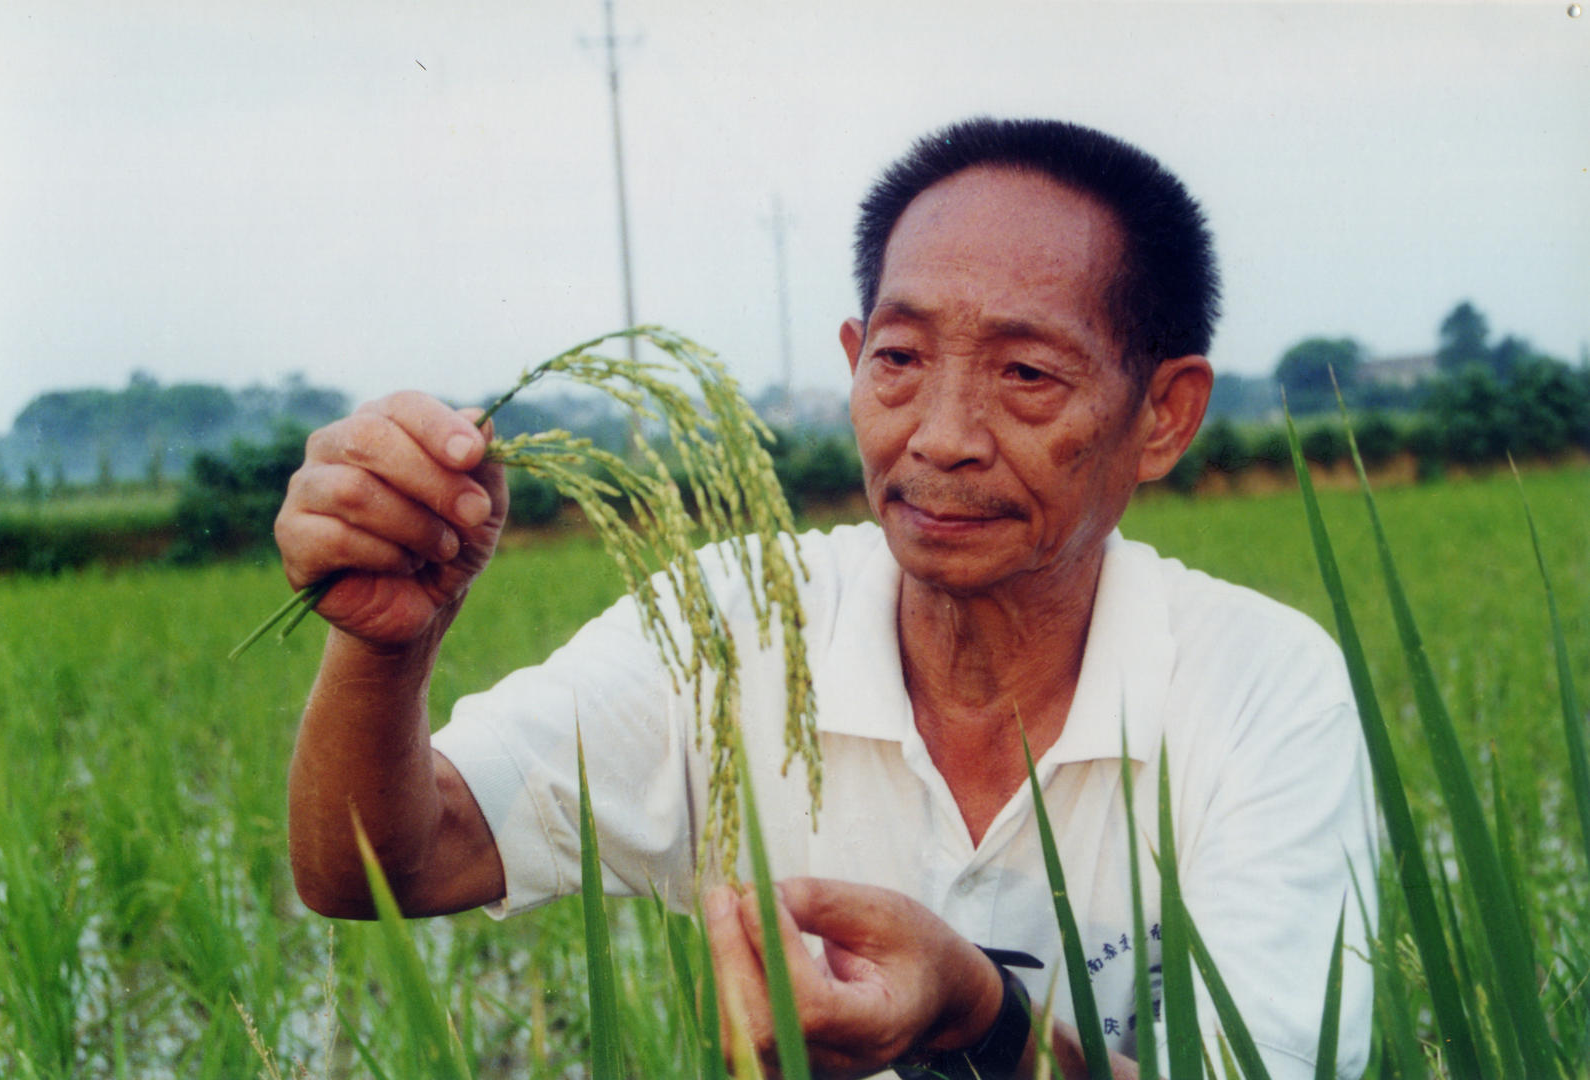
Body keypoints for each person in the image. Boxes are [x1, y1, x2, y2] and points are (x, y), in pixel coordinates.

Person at [278, 117, 1377, 1079]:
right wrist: (386, 650)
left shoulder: (1259, 688)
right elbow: (378, 865)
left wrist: (978, 1019)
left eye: (1026, 375)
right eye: (899, 359)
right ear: (853, 362)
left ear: (1165, 415)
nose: (940, 436)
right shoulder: (730, 626)